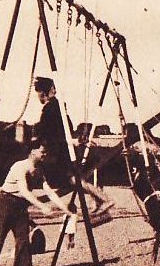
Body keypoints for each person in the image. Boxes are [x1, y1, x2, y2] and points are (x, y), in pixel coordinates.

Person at [32, 77, 114, 213]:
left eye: (38, 92)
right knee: (73, 180)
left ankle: (104, 199)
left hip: (59, 151)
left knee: (73, 179)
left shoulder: (49, 109)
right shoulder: (58, 107)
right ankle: (100, 199)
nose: (38, 97)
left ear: (42, 92)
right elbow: (65, 128)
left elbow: (46, 131)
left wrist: (37, 138)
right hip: (63, 147)